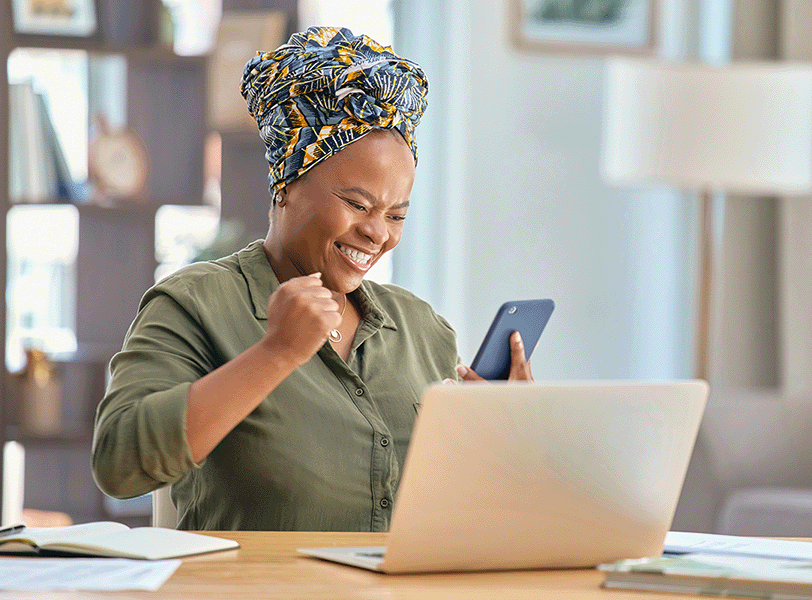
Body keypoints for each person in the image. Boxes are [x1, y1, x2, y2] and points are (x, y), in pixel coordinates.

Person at [92, 27, 532, 531]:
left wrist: (502, 433)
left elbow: (458, 515)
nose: (376, 233)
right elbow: (118, 464)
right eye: (358, 204)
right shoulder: (196, 303)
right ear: (286, 185)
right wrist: (275, 353)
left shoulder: (421, 328)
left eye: (396, 216)